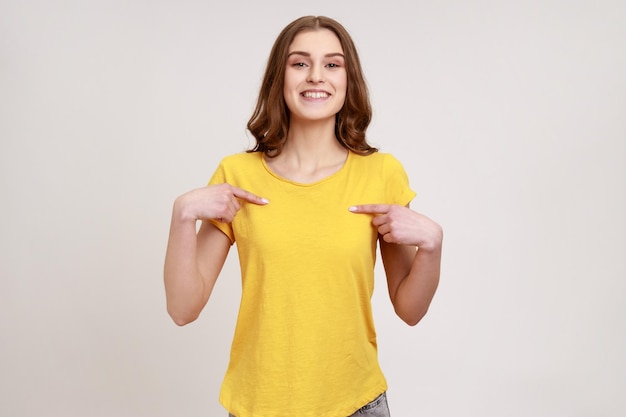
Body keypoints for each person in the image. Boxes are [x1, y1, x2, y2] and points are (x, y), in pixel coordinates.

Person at [164, 15, 443, 417]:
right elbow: (182, 309)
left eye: (332, 64)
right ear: (280, 77)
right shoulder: (236, 176)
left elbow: (410, 310)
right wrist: (181, 216)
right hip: (259, 405)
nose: (316, 76)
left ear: (349, 80)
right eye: (299, 63)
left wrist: (432, 246)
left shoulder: (381, 174)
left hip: (355, 404)